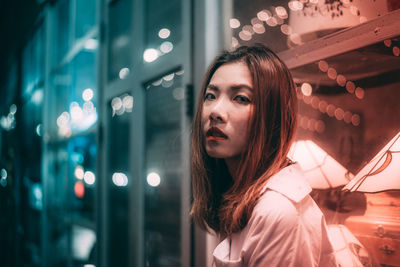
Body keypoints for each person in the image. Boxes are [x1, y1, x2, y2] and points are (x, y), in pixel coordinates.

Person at [190, 44, 337, 266]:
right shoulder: (239, 195)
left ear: (271, 116)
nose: (215, 112)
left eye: (240, 98)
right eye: (210, 96)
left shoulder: (280, 212)